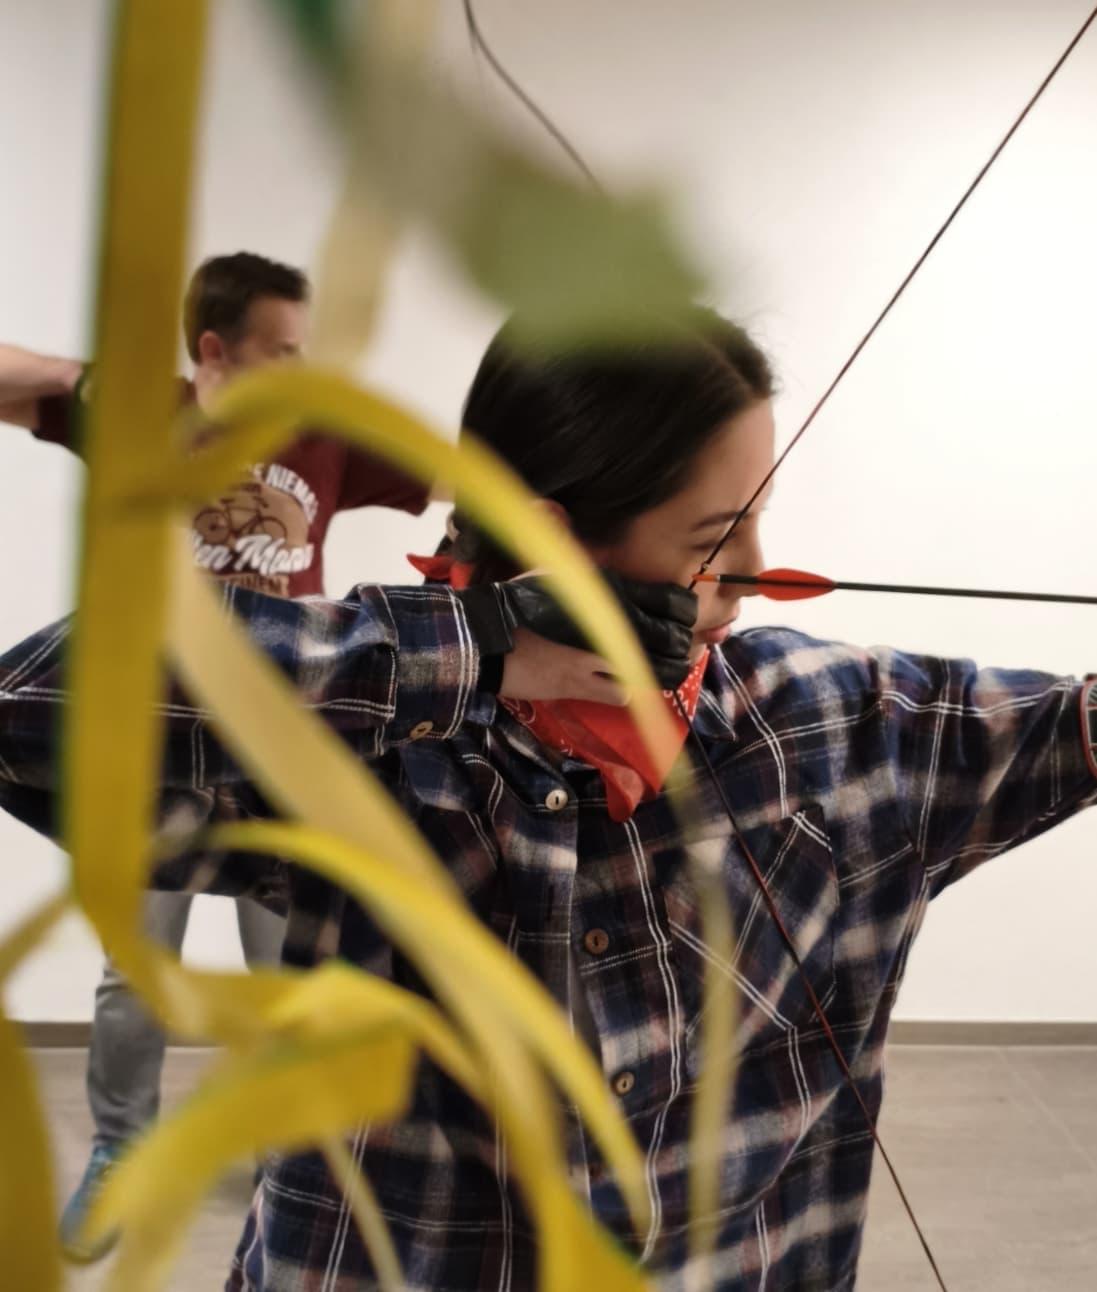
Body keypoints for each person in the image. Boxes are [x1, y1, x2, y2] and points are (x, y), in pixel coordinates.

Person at [1, 309, 1094, 1291]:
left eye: (757, 519)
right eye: (713, 538)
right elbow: (30, 717)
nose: (758, 571)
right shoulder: (376, 764)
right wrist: (472, 639)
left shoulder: (834, 724)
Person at [0, 250, 432, 1263]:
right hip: (149, 750)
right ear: (214, 350)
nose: (300, 366)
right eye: (282, 349)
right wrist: (83, 377)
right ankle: (121, 1150)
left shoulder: (319, 433)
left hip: (280, 751)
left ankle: (293, 1162)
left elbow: (451, 479)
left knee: (288, 965)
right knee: (134, 970)